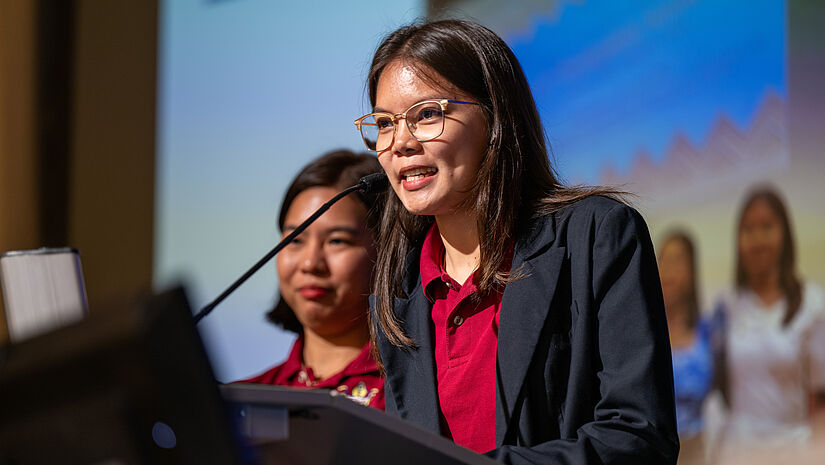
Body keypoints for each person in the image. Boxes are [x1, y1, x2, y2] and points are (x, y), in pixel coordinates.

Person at [353, 19, 678, 464]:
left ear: (496, 117)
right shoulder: (399, 294)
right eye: (386, 123)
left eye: (427, 114)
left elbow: (639, 436)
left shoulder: (597, 235)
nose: (400, 143)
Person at [239, 150, 385, 410]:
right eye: (295, 241)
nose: (310, 264)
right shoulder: (241, 402)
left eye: (336, 241)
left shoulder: (418, 394)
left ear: (387, 251)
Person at [714, 186, 825, 461]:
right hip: (737, 451)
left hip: (795, 451)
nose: (758, 239)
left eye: (767, 226)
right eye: (749, 229)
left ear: (784, 233)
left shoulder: (813, 303)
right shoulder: (727, 304)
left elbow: (820, 400)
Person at [658, 231, 713, 465]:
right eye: (664, 260)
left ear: (692, 271)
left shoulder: (708, 332)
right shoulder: (642, 333)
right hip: (654, 450)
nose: (669, 271)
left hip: (697, 450)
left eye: (678, 261)